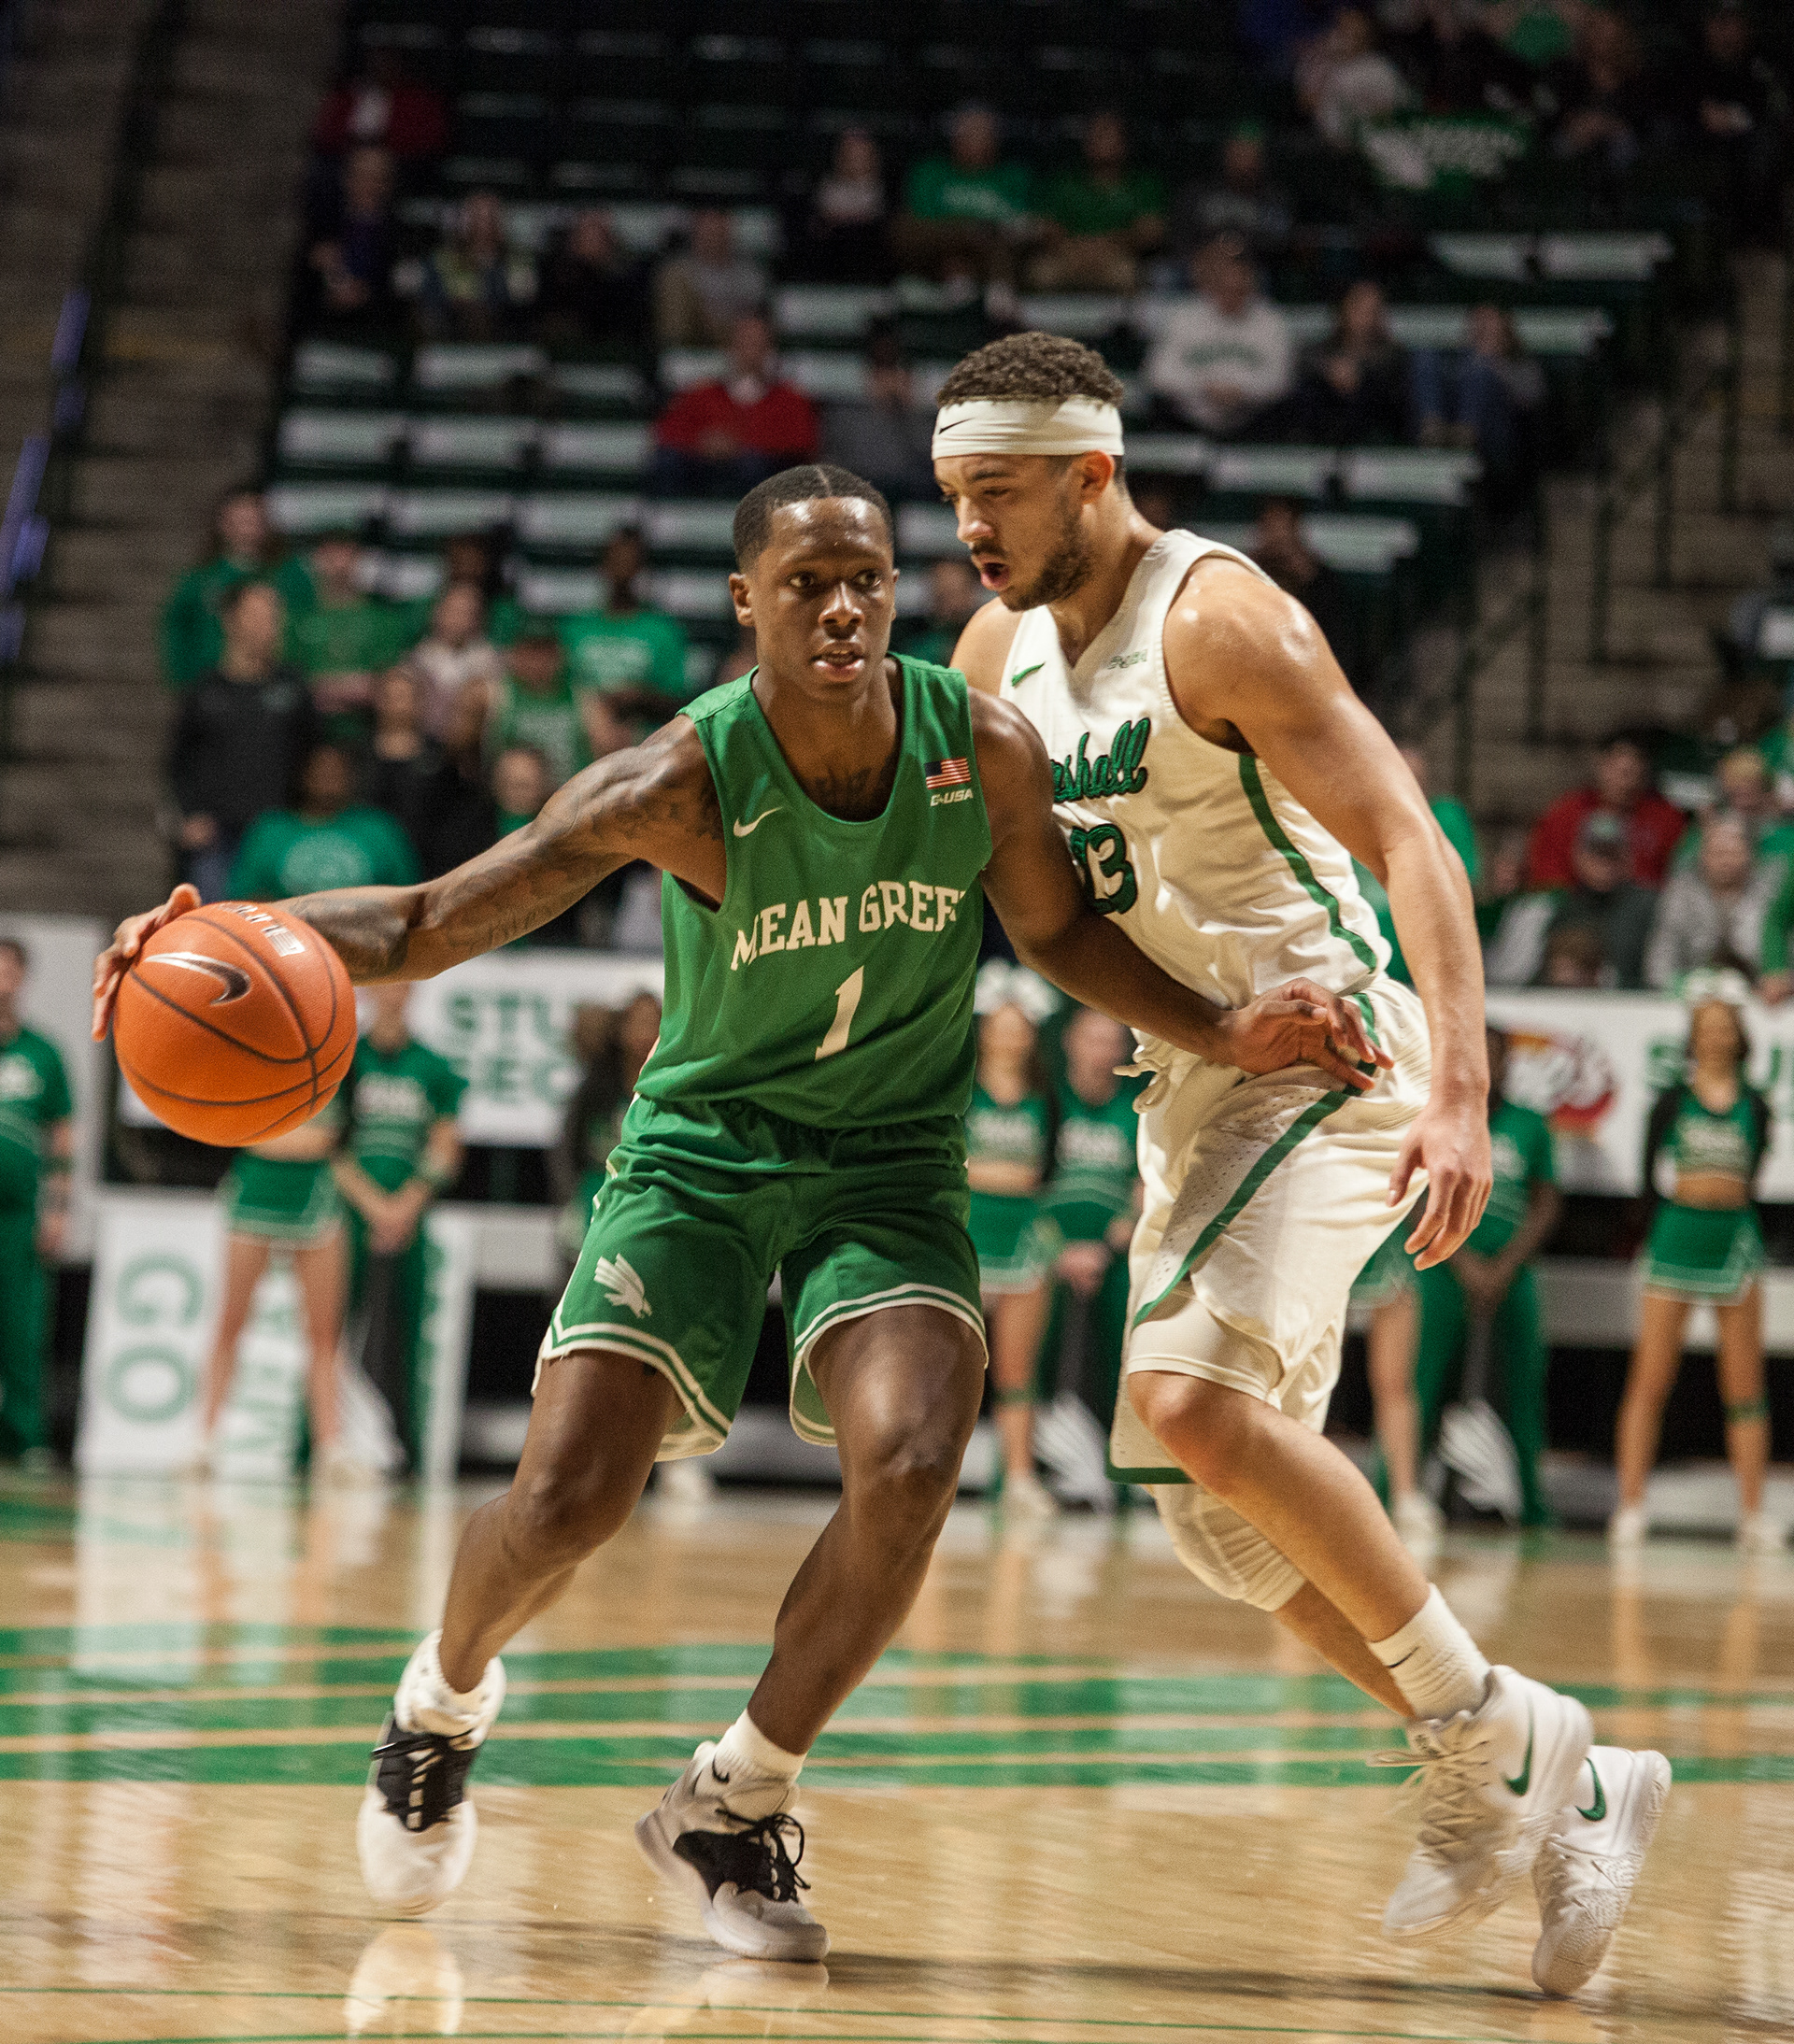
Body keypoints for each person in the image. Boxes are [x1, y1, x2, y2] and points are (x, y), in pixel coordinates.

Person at [97, 460, 1386, 1961]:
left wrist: (1222, 1030)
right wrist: (223, 932)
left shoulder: (980, 746)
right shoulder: (680, 780)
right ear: (743, 603)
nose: (841, 610)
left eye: (866, 583)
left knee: (915, 1459)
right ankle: (439, 1701)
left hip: (889, 1159)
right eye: (805, 586)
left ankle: (737, 1798)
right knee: (570, 1497)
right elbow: (429, 919)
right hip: (700, 1154)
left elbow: (1054, 930)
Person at [936, 331, 1662, 1993]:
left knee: (1187, 1404)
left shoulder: (1221, 618)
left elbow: (1409, 833)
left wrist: (1461, 1092)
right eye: (955, 491)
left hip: (1329, 1047)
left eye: (1001, 490)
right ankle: (1564, 1782)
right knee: (1218, 1519)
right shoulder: (992, 651)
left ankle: (1494, 1737)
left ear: (1093, 474)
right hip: (1198, 1071)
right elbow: (1042, 918)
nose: (971, 525)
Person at [1612, 990, 1781, 1554]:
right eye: (1706, 1027)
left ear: (1740, 1037)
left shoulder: (1757, 1103)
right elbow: (1646, 1176)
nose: (1716, 1037)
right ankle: (1631, 1506)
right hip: (1676, 1237)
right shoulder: (1670, 1101)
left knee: (1745, 1383)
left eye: (1725, 1027)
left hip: (1733, 1239)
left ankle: (1752, 1516)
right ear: (1692, 1038)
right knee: (1651, 1377)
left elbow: (1756, 1171)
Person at [1410, 1025, 1561, 1529]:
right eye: (1481, 1055)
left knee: (1524, 1388)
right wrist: (1463, 1260)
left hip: (1511, 1271)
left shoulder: (1529, 1125)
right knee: (1423, 1383)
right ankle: (1398, 1495)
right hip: (1441, 1265)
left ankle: (1532, 1507)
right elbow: (1412, 1193)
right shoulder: (1436, 1119)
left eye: (1497, 1057)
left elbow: (1546, 1201)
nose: (1488, 1067)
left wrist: (1505, 1263)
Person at [332, 985, 467, 1469]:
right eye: (386, 984)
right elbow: (330, 1143)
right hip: (346, 1216)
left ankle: (407, 1452)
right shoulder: (344, 1061)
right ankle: (322, 1447)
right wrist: (373, 1205)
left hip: (411, 1217)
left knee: (406, 1335)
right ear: (370, 991)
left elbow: (445, 1147)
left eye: (403, 984)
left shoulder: (434, 1067)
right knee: (332, 1333)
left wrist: (407, 1203)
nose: (393, 993)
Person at [195, 1105, 351, 1480]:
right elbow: (240, 1133)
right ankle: (203, 1442)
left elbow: (326, 1140)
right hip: (256, 1188)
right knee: (230, 1323)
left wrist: (273, 1137)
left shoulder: (341, 1072)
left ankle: (332, 1450)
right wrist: (288, 1140)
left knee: (324, 1334)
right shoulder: (250, 1071)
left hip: (315, 1192)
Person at [966, 975, 1061, 1519]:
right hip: (968, 1239)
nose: (1009, 1038)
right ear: (983, 1032)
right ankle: (939, 1474)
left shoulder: (1046, 1095)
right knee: (953, 1370)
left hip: (1025, 1244)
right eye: (1000, 1029)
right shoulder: (962, 1090)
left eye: (1018, 1029)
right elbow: (956, 1166)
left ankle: (1020, 1479)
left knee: (1017, 1371)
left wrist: (986, 1171)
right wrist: (1003, 1175)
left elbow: (1044, 1172)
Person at [1034, 1006, 1142, 1464]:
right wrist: (1058, 1250)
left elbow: (1147, 1186)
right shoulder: (1046, 1101)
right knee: (1030, 1354)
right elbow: (1025, 1183)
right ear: (1069, 1043)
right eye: (1091, 1040)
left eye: (1110, 1042)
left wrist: (1110, 1244)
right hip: (1045, 1250)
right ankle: (1025, 1470)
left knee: (1127, 1352)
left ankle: (1121, 1471)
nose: (1101, 1052)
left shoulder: (1139, 1108)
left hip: (1114, 1254)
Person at [166, 581, 319, 901]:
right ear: (231, 620)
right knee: (214, 921)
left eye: (274, 615)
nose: (270, 624)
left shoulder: (293, 688)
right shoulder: (205, 691)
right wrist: (189, 814)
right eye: (258, 615)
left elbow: (314, 755)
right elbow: (179, 761)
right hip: (218, 838)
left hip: (280, 832)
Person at [0, 937, 71, 1467]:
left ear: (23, 978)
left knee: (23, 1329)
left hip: (20, 1212)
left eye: (9, 970)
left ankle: (26, 1440)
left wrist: (57, 1208)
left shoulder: (43, 1053)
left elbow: (62, 1134)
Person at [650, 313, 820, 497]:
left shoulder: (790, 400)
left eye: (758, 345)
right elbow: (668, 431)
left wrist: (739, 444)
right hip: (702, 472)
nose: (750, 353)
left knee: (754, 466)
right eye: (743, 344)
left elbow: (802, 442)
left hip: (760, 478)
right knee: (668, 462)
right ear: (730, 348)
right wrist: (703, 442)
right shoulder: (702, 394)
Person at [159, 488, 313, 690]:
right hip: (212, 686)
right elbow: (177, 628)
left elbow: (308, 624)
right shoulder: (201, 580)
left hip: (280, 684)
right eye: (240, 520)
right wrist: (184, 681)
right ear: (223, 524)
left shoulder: (290, 575)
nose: (247, 527)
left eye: (253, 519)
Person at [1486, 812, 1658, 990]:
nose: (1603, 862)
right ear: (1578, 856)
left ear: (1627, 858)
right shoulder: (1560, 909)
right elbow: (1533, 979)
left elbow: (1657, 974)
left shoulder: (1647, 907)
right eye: (1597, 852)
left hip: (1630, 1002)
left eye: (1611, 853)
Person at [1144, 235, 1293, 439]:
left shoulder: (1271, 320)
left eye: (1239, 289)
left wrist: (1241, 391)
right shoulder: (1184, 316)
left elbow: (1281, 380)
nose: (1232, 294)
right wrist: (1205, 388)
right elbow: (1158, 374)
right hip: (1188, 418)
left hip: (1254, 419)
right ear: (1212, 284)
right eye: (1225, 287)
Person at [551, 992, 662, 1265]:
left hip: (650, 1207)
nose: (645, 1034)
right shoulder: (596, 1086)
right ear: (622, 1030)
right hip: (593, 1203)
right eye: (638, 1023)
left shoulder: (670, 1088)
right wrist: (572, 1198)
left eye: (653, 1023)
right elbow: (567, 1151)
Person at [229, 743, 420, 901]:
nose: (328, 778)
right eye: (321, 770)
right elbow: (245, 898)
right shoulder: (270, 830)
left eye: (337, 771)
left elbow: (408, 895)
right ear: (304, 775)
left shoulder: (379, 828)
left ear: (352, 778)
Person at [560, 529, 691, 744]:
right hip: (582, 737)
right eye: (616, 561)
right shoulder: (575, 628)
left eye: (630, 563)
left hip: (643, 739)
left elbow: (680, 703)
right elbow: (556, 691)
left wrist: (640, 698)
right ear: (603, 566)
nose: (622, 571)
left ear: (641, 569)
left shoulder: (663, 630)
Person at [1411, 305, 1545, 516]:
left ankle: (1465, 435)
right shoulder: (1462, 364)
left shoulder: (1519, 362)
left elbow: (1531, 399)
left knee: (1481, 374)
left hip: (1501, 441)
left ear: (1505, 329)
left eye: (1490, 324)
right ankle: (1435, 430)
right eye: (1479, 325)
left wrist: (1494, 366)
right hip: (1451, 433)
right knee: (1427, 357)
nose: (1484, 330)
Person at [1678, 1, 1789, 248]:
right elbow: (1677, 107)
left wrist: (1734, 118)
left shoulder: (1761, 65)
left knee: (1764, 148)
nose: (1724, 31)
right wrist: (1703, 114)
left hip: (1749, 150)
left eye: (1731, 23)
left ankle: (1756, 238)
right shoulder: (1690, 65)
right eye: (1718, 22)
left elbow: (1775, 111)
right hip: (1700, 145)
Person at [890, 105, 1034, 291]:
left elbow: (1023, 223)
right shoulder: (930, 172)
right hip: (937, 255)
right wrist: (968, 231)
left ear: (994, 140)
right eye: (967, 132)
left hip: (992, 257)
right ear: (954, 137)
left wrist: (980, 233)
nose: (974, 139)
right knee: (905, 229)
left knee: (1001, 241)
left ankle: (991, 290)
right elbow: (921, 223)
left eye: (981, 133)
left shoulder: (1014, 176)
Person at [291, 531, 413, 742]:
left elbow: (388, 687)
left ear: (359, 557)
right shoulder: (297, 619)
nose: (339, 561)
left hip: (367, 735)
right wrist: (351, 688)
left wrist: (323, 689)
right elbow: (291, 685)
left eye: (346, 551)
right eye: (331, 552)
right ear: (317, 558)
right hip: (306, 735)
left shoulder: (384, 619)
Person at [1350, 1225, 1430, 1544]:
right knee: (1301, 1365)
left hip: (1387, 1236)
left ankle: (1405, 1496)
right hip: (1325, 1224)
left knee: (1395, 1381)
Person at [1030, 111, 1165, 295]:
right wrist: (1077, 250)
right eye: (1096, 135)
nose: (1101, 141)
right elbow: (1047, 228)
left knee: (1128, 274)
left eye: (1109, 135)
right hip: (1069, 257)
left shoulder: (1143, 184)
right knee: (1042, 273)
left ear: (1124, 143)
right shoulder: (1065, 183)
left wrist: (1106, 247)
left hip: (1116, 259)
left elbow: (1151, 231)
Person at [1526, 735, 1686, 890]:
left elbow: (1679, 879)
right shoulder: (1567, 813)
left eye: (1634, 773)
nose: (1626, 783)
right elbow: (1547, 881)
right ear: (1601, 765)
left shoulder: (1665, 817)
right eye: (1620, 772)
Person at [1645, 813, 1777, 990]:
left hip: (1760, 989)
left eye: (1734, 853)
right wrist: (1671, 986)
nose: (1725, 861)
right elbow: (1662, 952)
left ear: (1749, 855)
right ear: (1703, 855)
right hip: (1692, 989)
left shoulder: (1770, 892)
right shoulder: (1681, 892)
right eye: (1718, 853)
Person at [1289, 279, 1411, 447]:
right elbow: (1306, 360)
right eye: (1360, 309)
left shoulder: (1394, 354)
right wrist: (1329, 370)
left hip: (1374, 432)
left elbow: (1390, 387)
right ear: (1343, 309)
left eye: (1373, 311)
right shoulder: (1324, 349)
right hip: (1326, 427)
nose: (1367, 318)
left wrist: (1358, 372)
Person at [1249, 498, 1357, 682]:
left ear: (1296, 532)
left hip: (1308, 671)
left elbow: (1337, 645)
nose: (1277, 537)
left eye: (1283, 529)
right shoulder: (1243, 573)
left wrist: (1306, 574)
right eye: (1270, 527)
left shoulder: (1322, 582)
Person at [819, 342, 936, 504]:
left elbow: (926, 455)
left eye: (892, 370)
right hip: (860, 487)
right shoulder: (847, 410)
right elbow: (836, 456)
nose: (888, 380)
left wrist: (904, 409)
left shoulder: (913, 413)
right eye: (881, 370)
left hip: (906, 489)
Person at [1168, 121, 1293, 270]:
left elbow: (1280, 244)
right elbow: (1180, 236)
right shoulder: (1199, 192)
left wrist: (1239, 254)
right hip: (1201, 268)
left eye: (1251, 154)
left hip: (1252, 271)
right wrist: (1206, 256)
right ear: (1226, 153)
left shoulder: (1274, 198)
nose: (1244, 162)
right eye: (1238, 152)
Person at [415, 192, 536, 342]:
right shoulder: (442, 259)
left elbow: (525, 305)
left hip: (505, 338)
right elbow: (429, 302)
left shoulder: (520, 259)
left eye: (490, 218)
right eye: (477, 217)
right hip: (452, 337)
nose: (483, 227)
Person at [305, 144, 399, 333]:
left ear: (389, 185)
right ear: (347, 180)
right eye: (361, 176)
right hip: (320, 323)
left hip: (374, 327)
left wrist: (366, 293)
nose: (369, 186)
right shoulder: (323, 225)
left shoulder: (399, 234)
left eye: (377, 178)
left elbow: (397, 285)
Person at [363, 663, 449, 869]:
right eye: (389, 696)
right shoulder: (358, 755)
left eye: (403, 697)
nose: (395, 704)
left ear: (419, 702)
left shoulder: (440, 757)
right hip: (369, 859)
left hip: (428, 860)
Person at [485, 626, 591, 791]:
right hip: (513, 796)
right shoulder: (498, 694)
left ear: (560, 656)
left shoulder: (582, 698)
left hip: (568, 795)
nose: (538, 661)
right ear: (515, 655)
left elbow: (608, 747)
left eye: (546, 653)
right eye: (531, 652)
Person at [534, 209, 651, 353]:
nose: (592, 240)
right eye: (586, 234)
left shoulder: (627, 280)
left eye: (598, 234)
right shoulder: (559, 277)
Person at [652, 207, 769, 349]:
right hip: (693, 340)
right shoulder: (678, 271)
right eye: (708, 232)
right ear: (696, 234)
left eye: (718, 232)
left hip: (737, 341)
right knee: (675, 284)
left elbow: (754, 318)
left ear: (729, 233)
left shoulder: (750, 273)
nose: (713, 238)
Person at [407, 580, 505, 744]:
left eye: (466, 612)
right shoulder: (419, 657)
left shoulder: (489, 659)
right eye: (452, 610)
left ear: (477, 619)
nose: (458, 619)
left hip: (473, 743)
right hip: (425, 740)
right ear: (437, 612)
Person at [1296, 7, 1413, 145]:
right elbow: (1305, 105)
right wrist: (1328, 69)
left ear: (1364, 38)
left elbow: (1393, 109)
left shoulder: (1378, 67)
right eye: (1342, 31)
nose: (1344, 38)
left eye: (1353, 34)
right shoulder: (1319, 63)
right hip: (1324, 142)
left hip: (1373, 139)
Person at [793, 129, 890, 284]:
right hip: (831, 249)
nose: (855, 160)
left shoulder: (880, 188)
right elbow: (825, 215)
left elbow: (872, 215)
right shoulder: (829, 185)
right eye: (850, 154)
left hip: (866, 251)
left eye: (861, 155)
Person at [903, 558, 983, 669]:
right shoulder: (920, 647)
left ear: (971, 594)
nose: (949, 605)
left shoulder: (986, 640)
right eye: (941, 597)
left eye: (954, 595)